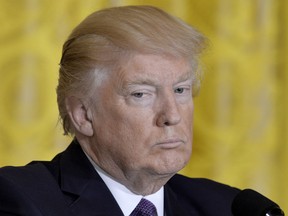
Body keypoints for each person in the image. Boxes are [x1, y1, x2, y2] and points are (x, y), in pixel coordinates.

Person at [0, 5, 240, 216]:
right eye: (141, 94)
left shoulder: (229, 207)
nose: (172, 116)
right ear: (83, 114)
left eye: (180, 90)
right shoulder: (19, 198)